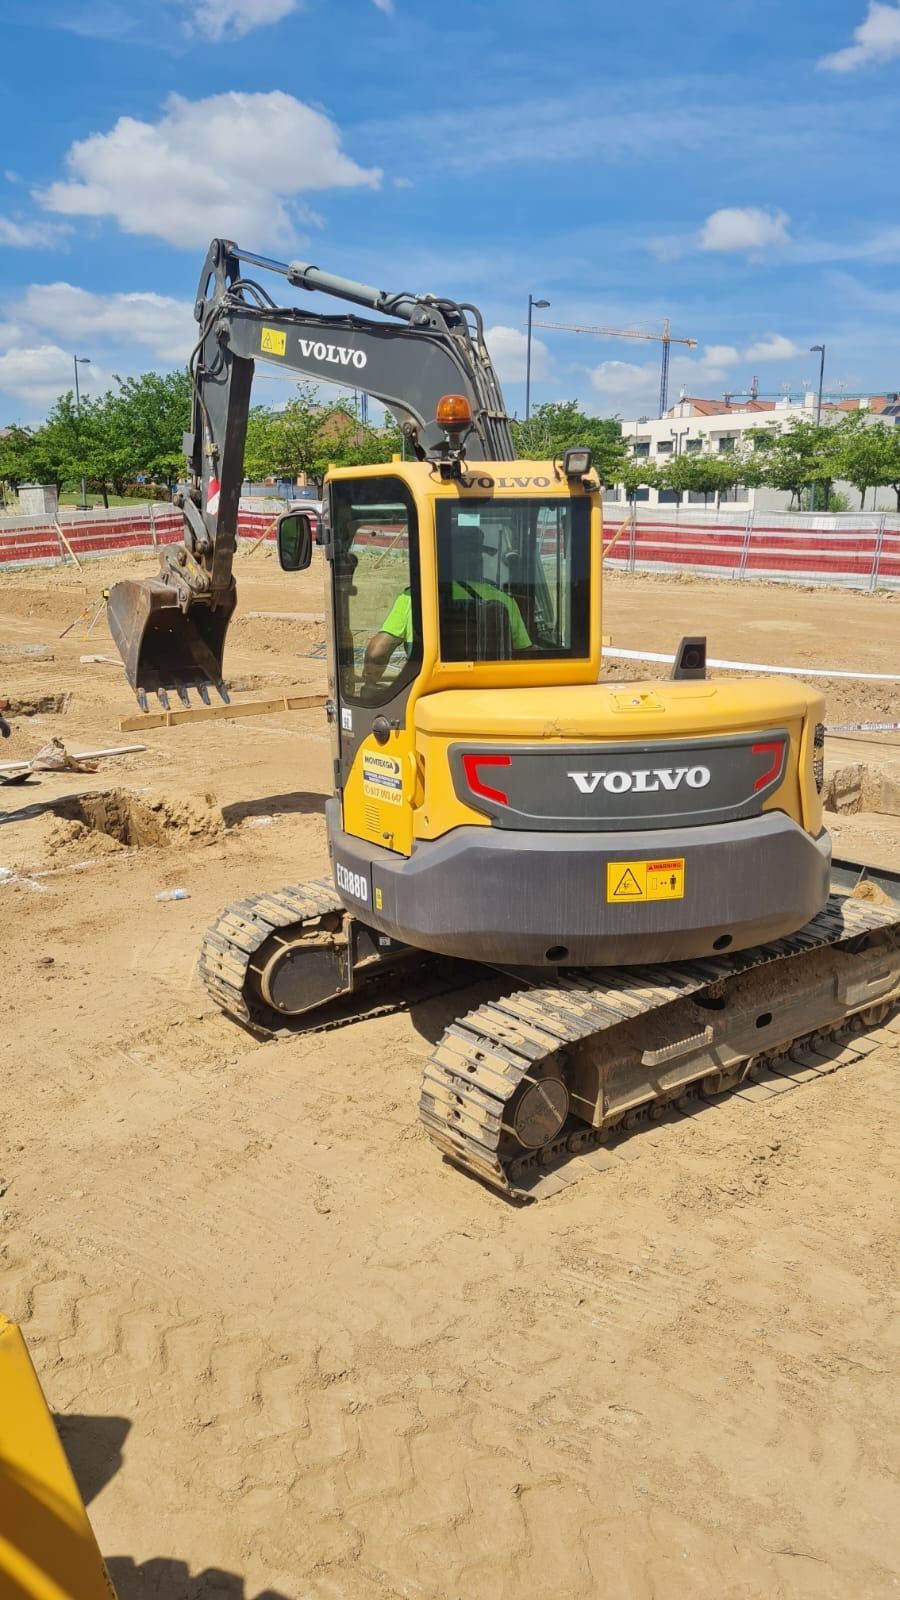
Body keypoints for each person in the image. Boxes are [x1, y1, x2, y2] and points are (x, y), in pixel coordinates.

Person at [363, 526, 529, 685]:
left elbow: (377, 653)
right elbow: (525, 655)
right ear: (479, 558)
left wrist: (371, 684)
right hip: (492, 692)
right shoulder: (504, 600)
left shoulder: (414, 598)